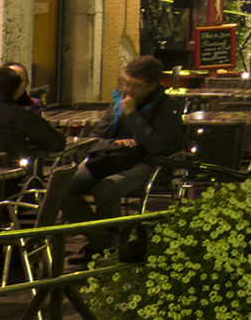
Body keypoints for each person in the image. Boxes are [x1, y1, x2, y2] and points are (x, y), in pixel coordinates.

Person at [62, 56, 184, 261]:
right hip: (110, 158)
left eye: (136, 86)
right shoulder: (119, 101)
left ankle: (105, 248)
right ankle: (105, 242)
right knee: (63, 187)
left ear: (153, 86)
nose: (128, 90)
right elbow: (98, 136)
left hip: (147, 163)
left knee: (106, 188)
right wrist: (114, 144)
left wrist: (132, 115)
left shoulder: (167, 107)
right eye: (126, 82)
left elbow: (156, 145)